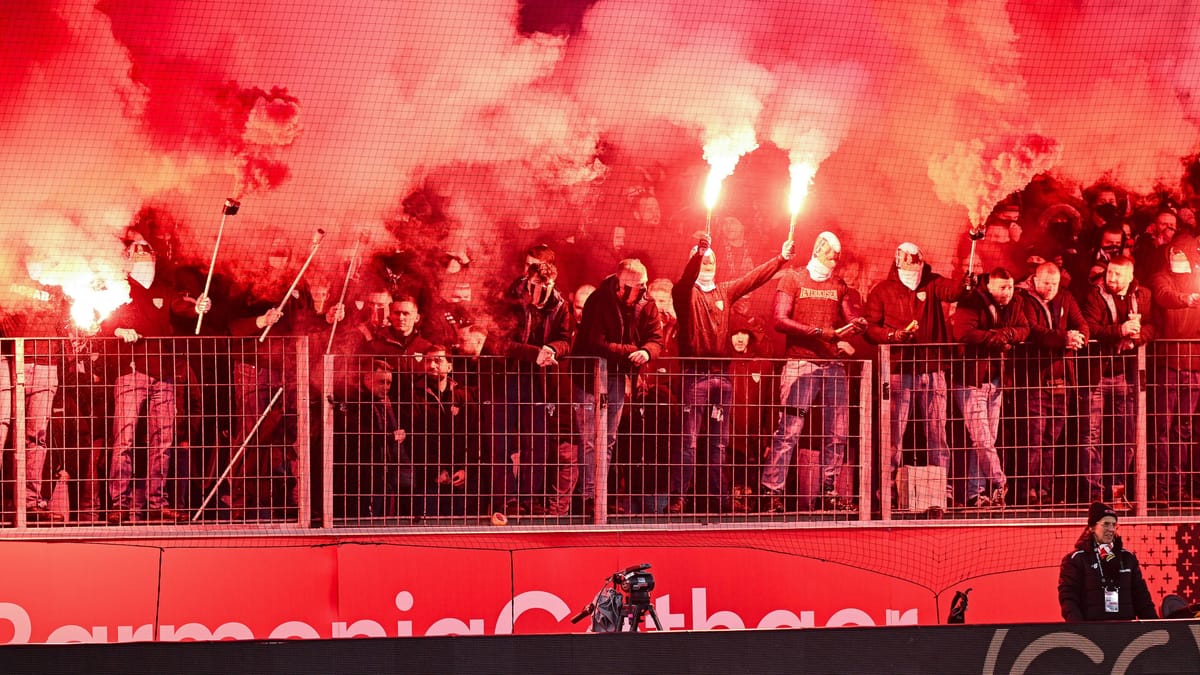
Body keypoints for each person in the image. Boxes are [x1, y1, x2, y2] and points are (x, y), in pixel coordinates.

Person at [667, 233, 793, 514]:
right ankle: (678, 498)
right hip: (695, 376)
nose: (708, 262)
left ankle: (719, 500)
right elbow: (686, 280)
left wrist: (781, 259)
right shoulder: (685, 293)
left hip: (721, 378)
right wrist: (698, 253)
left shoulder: (724, 291)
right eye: (703, 259)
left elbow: (753, 279)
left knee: (719, 445)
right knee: (688, 442)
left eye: (711, 258)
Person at [103, 235, 207, 524]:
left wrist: (197, 305)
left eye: (147, 247)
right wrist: (118, 330)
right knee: (123, 439)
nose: (142, 251)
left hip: (165, 375)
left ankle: (157, 502)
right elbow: (102, 320)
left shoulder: (164, 289)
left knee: (162, 441)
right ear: (126, 256)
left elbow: (181, 304)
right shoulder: (119, 287)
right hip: (132, 372)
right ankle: (119, 503)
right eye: (136, 247)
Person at [760, 232, 862, 512]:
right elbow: (779, 320)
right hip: (799, 363)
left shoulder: (838, 284)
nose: (835, 257)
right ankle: (772, 492)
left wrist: (859, 324)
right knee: (789, 430)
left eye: (838, 254)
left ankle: (828, 491)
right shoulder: (792, 278)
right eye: (831, 252)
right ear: (818, 247)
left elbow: (850, 318)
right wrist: (820, 333)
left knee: (837, 432)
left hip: (832, 367)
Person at [864, 241, 969, 508]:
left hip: (933, 369)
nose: (911, 262)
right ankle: (886, 492)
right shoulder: (883, 290)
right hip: (899, 370)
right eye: (906, 258)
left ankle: (939, 490)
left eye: (916, 259)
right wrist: (895, 336)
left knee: (937, 433)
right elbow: (870, 329)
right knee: (893, 434)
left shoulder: (932, 283)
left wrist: (967, 279)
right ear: (898, 261)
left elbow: (956, 291)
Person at [574, 258, 664, 517]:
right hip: (588, 378)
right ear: (620, 285)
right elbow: (595, 342)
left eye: (644, 285)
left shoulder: (647, 304)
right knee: (590, 438)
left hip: (616, 377)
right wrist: (631, 353)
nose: (643, 291)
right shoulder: (598, 301)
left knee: (608, 438)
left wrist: (647, 352)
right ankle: (589, 496)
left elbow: (655, 338)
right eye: (637, 287)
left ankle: (599, 493)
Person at [490, 260, 574, 516]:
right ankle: (507, 499)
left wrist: (553, 349)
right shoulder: (509, 301)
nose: (541, 290)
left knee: (536, 441)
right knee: (501, 441)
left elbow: (566, 338)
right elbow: (499, 341)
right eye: (536, 284)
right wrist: (534, 353)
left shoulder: (561, 306)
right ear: (527, 280)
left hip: (539, 381)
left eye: (547, 285)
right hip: (504, 377)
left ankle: (528, 499)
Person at [951, 268, 1029, 508]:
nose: (1008, 292)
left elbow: (1025, 328)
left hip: (996, 380)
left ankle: (977, 493)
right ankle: (998, 481)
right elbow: (962, 332)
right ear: (990, 286)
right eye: (1003, 288)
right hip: (971, 379)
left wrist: (1006, 334)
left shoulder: (1016, 301)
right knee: (982, 438)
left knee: (987, 439)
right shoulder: (972, 300)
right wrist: (995, 339)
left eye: (1011, 287)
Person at [1080, 256, 1154, 507]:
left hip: (1126, 376)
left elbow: (1154, 325)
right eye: (1110, 273)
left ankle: (1117, 493)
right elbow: (1091, 328)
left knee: (1126, 438)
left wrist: (1135, 339)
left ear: (1130, 277)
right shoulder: (1094, 294)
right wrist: (1120, 331)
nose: (1111, 278)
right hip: (1097, 376)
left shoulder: (1143, 294)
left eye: (1117, 275)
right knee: (1090, 437)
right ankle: (1094, 495)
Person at [1014, 262, 1089, 505]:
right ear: (1035, 280)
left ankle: (1043, 488)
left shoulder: (1066, 296)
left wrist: (1079, 339)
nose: (1050, 288)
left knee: (1051, 440)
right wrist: (1062, 338)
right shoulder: (1022, 298)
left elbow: (1083, 324)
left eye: (1054, 284)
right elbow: (1033, 332)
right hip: (1035, 380)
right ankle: (1026, 491)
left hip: (1062, 381)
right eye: (1046, 283)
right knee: (1033, 439)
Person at [1148, 233, 1200, 504]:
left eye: (1182, 252)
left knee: (1184, 429)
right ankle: (1160, 489)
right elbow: (1164, 296)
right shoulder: (1161, 277)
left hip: (1194, 368)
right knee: (1163, 428)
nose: (1176, 256)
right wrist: (1187, 298)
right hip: (1168, 364)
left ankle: (1178, 487)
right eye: (1173, 251)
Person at [331, 359, 409, 521]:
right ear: (367, 378)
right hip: (358, 476)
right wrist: (390, 437)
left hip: (377, 474)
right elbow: (355, 433)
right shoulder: (353, 400)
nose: (386, 387)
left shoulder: (379, 403)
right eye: (382, 382)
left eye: (389, 383)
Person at [1057, 502, 1157, 622]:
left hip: (1127, 632)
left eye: (1113, 525)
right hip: (1091, 632)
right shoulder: (1076, 559)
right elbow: (1068, 598)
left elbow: (1142, 599)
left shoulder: (1127, 558)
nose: (1110, 529)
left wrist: (1155, 626)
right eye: (1105, 524)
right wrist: (1079, 629)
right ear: (1092, 527)